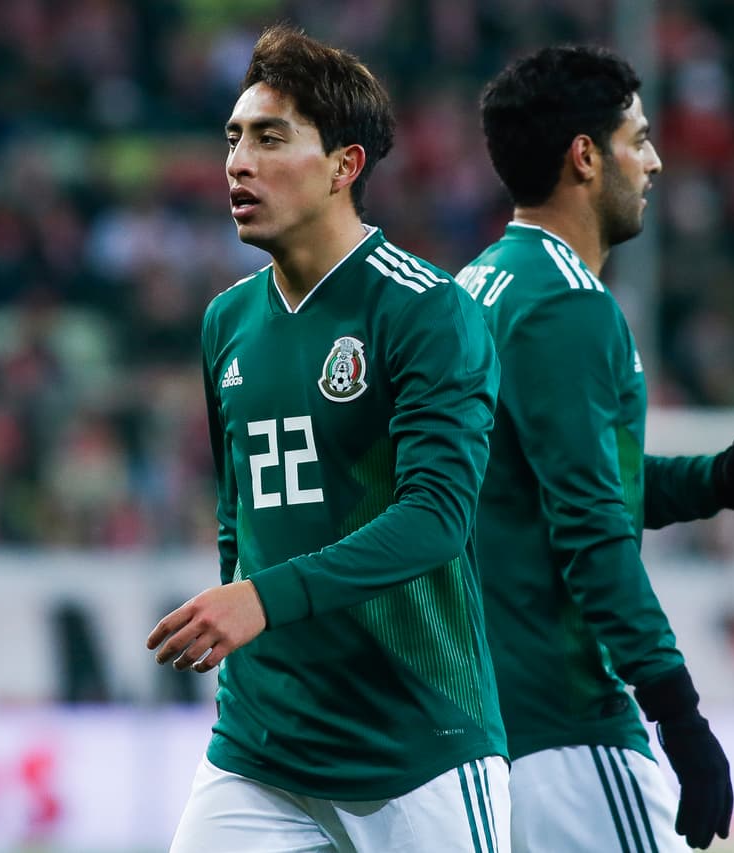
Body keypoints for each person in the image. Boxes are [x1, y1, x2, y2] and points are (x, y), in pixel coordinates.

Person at [147, 25, 508, 853]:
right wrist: (246, 610)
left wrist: (262, 599)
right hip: (260, 749)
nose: (239, 161)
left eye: (271, 138)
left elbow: (437, 515)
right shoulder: (227, 323)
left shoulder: (427, 310)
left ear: (345, 166)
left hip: (416, 746)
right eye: (233, 137)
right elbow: (239, 510)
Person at [459, 45, 734, 852]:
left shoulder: (478, 286)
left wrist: (715, 480)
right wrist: (679, 715)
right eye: (637, 138)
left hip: (481, 721)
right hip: (564, 722)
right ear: (584, 156)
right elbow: (590, 531)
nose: (654, 159)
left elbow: (546, 481)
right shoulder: (566, 306)